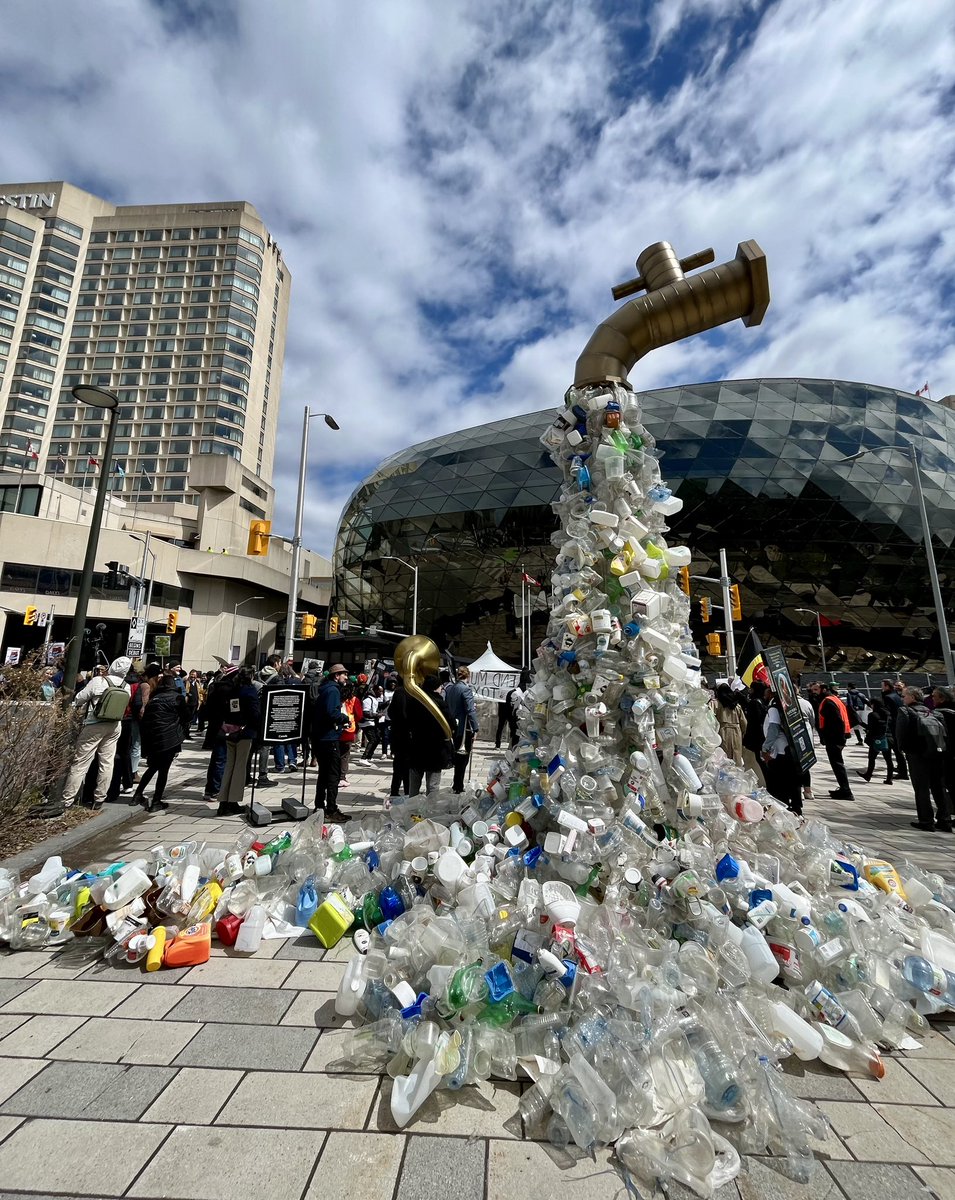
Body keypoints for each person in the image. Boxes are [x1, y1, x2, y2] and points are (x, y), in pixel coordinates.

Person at [59, 656, 133, 812]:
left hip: (94, 723)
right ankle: (99, 798)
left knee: (80, 763)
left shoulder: (99, 681)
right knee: (107, 762)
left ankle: (67, 799)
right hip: (114, 725)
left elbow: (80, 698)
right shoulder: (126, 686)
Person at [131, 671, 190, 812]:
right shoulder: (178, 698)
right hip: (169, 738)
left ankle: (137, 795)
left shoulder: (154, 698)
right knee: (163, 770)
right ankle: (156, 801)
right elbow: (187, 716)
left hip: (153, 738)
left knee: (153, 767)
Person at [895, 685, 951, 831]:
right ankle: (945, 820)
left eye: (904, 696)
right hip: (936, 754)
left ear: (912, 697)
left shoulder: (905, 711)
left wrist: (902, 750)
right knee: (939, 787)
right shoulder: (934, 713)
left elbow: (900, 734)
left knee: (922, 788)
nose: (902, 699)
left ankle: (926, 821)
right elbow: (945, 735)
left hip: (917, 755)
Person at [216, 667, 260, 817]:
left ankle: (223, 801)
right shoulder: (249, 691)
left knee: (230, 766)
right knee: (240, 767)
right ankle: (232, 802)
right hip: (244, 732)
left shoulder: (233, 690)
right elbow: (255, 714)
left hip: (229, 730)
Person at [311, 664, 349, 822]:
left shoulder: (325, 688)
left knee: (323, 774)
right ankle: (331, 809)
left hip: (320, 738)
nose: (346, 677)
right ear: (336, 676)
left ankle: (319, 807)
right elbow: (331, 713)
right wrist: (344, 718)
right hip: (329, 738)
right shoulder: (333, 690)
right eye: (343, 674)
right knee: (333, 776)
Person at [407, 673, 454, 797]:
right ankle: (431, 810)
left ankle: (411, 810)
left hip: (417, 746)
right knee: (433, 786)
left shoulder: (415, 701)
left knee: (414, 784)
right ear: (436, 687)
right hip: (435, 749)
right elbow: (451, 724)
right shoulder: (440, 703)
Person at [761, 691, 803, 814]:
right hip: (788, 749)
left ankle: (784, 806)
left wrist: (765, 747)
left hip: (780, 750)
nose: (765, 695)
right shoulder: (787, 706)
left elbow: (773, 727)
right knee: (792, 780)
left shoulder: (774, 708)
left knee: (781, 781)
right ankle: (796, 806)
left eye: (767, 693)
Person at [444, 667, 480, 792]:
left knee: (458, 756)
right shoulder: (466, 689)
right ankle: (458, 785)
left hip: (453, 725)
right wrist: (476, 727)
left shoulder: (450, 688)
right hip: (464, 727)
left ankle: (457, 783)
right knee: (463, 758)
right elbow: (470, 710)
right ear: (468, 676)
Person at [817, 684, 854, 800]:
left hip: (834, 738)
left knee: (837, 764)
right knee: (838, 764)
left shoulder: (828, 702)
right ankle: (844, 789)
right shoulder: (835, 700)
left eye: (815, 690)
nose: (813, 692)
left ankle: (846, 790)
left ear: (823, 690)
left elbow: (837, 721)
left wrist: (827, 737)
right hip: (840, 737)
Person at [856, 699, 894, 785]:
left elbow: (871, 728)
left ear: (873, 705)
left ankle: (868, 775)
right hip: (888, 738)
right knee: (888, 759)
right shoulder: (887, 714)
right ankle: (889, 779)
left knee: (872, 758)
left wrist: (861, 723)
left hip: (877, 739)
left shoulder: (872, 715)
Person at [710, 683, 746, 766]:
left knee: (723, 759)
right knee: (736, 757)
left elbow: (709, 718)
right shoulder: (736, 706)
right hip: (736, 732)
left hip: (721, 732)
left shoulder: (715, 703)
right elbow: (744, 723)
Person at [388, 677, 411, 800]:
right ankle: (408, 792)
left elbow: (391, 712)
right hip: (407, 735)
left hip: (397, 734)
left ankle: (394, 791)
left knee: (397, 766)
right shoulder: (411, 692)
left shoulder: (398, 692)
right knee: (407, 766)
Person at [932, 687, 955, 815]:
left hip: (946, 755)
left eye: (934, 696)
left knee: (946, 785)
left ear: (942, 698)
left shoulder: (941, 714)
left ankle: (944, 816)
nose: (932, 699)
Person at [881, 678, 908, 781]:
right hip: (898, 724)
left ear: (887, 686)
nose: (881, 688)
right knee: (898, 750)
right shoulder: (897, 695)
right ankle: (902, 770)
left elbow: (887, 713)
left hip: (893, 726)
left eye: (882, 686)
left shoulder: (888, 697)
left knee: (897, 750)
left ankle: (902, 772)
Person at [741, 680, 768, 782]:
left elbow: (754, 722)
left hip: (756, 738)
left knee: (761, 761)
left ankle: (767, 782)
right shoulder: (762, 701)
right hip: (761, 737)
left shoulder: (754, 703)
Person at [338, 681, 362, 788]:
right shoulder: (354, 700)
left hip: (336, 729)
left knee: (336, 754)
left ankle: (334, 775)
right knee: (345, 755)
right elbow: (359, 715)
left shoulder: (337, 697)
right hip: (349, 729)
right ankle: (342, 777)